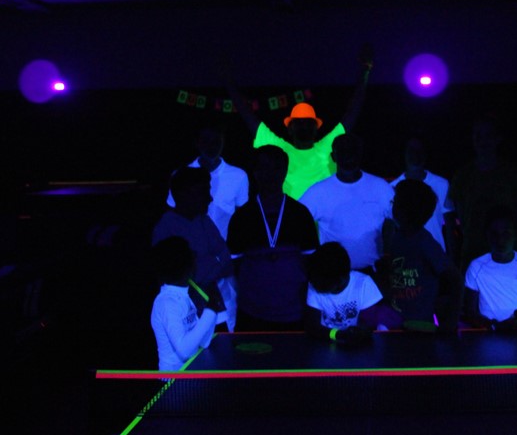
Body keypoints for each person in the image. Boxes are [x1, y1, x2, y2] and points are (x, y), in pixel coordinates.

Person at [224, 44, 374, 200]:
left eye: (308, 123)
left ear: (316, 127)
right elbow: (248, 116)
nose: (303, 126)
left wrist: (365, 71)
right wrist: (227, 79)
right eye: (299, 123)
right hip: (290, 215)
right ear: (290, 128)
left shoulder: (328, 146)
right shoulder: (281, 149)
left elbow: (352, 113)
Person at [227, 144, 319, 331]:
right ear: (255, 173)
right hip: (252, 312)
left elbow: (311, 263)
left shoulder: (300, 214)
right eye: (264, 168)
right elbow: (235, 265)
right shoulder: (242, 217)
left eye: (276, 168)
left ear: (285, 172)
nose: (271, 174)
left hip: (294, 312)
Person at [445, 111, 517, 272]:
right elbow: (453, 213)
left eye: (488, 135)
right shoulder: (463, 175)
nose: (483, 140)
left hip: (507, 250)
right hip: (473, 250)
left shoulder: (513, 174)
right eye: (478, 135)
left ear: (498, 138)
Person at [153, 166, 237, 331]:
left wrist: (204, 268)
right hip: (185, 315)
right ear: (185, 194)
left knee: (223, 344)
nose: (210, 198)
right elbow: (174, 276)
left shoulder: (204, 221)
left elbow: (226, 258)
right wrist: (212, 266)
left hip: (212, 304)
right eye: (204, 192)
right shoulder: (165, 228)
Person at [300, 132, 394, 274]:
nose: (348, 155)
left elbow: (398, 222)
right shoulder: (318, 192)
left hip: (374, 273)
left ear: (360, 154)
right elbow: (297, 221)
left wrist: (388, 254)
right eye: (343, 150)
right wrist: (311, 255)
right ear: (333, 156)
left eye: (352, 150)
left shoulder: (381, 187)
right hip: (332, 275)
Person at [377, 178, 463, 334]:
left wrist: (451, 322)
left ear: (404, 209)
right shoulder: (397, 238)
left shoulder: (424, 242)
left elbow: (455, 278)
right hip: (397, 321)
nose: (392, 205)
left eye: (395, 202)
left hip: (421, 326)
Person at [462, 204, 517, 333]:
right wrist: (492, 326)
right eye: (495, 234)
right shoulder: (476, 267)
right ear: (487, 235)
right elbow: (469, 311)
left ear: (516, 234)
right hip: (488, 334)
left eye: (506, 233)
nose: (500, 240)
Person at [149, 236, 225, 371]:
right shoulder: (167, 303)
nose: (195, 264)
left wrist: (212, 312)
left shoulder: (184, 296)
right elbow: (185, 350)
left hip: (190, 374)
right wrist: (209, 312)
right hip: (172, 380)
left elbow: (204, 342)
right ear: (185, 267)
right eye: (191, 260)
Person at [166, 122, 249, 241]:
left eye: (216, 141)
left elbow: (241, 218)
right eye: (205, 141)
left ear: (223, 141)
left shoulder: (239, 176)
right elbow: (173, 215)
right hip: (189, 248)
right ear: (197, 143)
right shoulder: (180, 175)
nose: (211, 146)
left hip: (224, 248)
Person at [304, 241, 383, 345]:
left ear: (341, 278)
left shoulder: (363, 284)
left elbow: (368, 324)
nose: (316, 285)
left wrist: (357, 333)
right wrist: (338, 334)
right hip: (325, 343)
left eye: (322, 282)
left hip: (358, 346)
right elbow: (313, 327)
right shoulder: (314, 282)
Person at [389, 134, 452, 251]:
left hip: (436, 255)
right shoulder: (392, 188)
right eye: (411, 151)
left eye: (419, 151)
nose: (415, 155)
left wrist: (452, 256)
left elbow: (450, 225)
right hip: (407, 255)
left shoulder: (442, 184)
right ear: (404, 154)